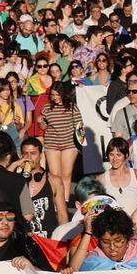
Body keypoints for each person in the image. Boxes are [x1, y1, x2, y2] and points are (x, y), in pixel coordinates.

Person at [37, 81, 84, 222]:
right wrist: (41, 122)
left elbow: (79, 126)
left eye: (58, 95)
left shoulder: (72, 108)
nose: (55, 98)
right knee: (55, 174)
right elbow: (45, 126)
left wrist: (82, 144)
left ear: (63, 94)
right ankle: (56, 200)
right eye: (53, 95)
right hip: (52, 142)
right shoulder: (46, 108)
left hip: (69, 143)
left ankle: (65, 200)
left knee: (66, 173)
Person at [99, 137, 137, 214]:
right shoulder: (101, 179)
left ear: (126, 156)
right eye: (111, 154)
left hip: (136, 223)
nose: (114, 159)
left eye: (118, 155)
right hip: (112, 224)